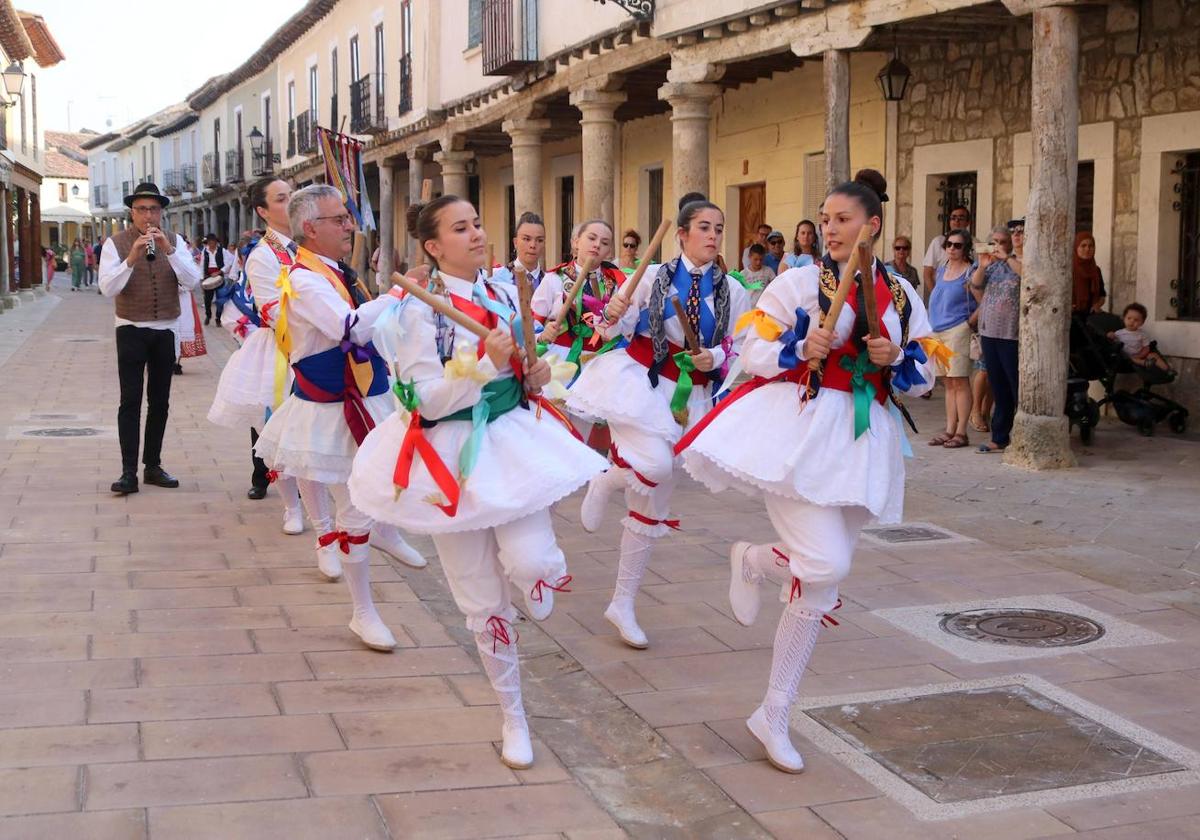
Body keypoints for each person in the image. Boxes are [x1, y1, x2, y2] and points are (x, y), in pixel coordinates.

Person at [678, 170, 935, 773]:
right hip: (800, 433)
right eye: (825, 219)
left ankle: (774, 711)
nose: (830, 228)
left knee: (820, 585)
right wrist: (800, 349)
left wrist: (897, 359)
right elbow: (751, 351)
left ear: (872, 225)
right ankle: (751, 560)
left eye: (842, 219)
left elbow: (925, 378)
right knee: (826, 563)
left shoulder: (900, 295)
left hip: (863, 442)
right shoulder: (797, 282)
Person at [348, 194, 607, 770]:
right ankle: (513, 715)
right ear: (434, 246)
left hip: (509, 441)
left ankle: (541, 577)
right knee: (481, 597)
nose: (477, 234)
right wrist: (487, 366)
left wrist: (532, 371)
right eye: (460, 228)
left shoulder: (498, 289)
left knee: (532, 560)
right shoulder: (416, 311)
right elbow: (422, 399)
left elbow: (526, 366)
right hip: (448, 453)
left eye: (477, 223)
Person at [566, 199, 751, 649]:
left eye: (719, 228)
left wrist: (718, 356)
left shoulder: (735, 291)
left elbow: (739, 347)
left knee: (652, 503)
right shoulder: (651, 276)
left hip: (690, 398)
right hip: (641, 386)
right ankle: (606, 481)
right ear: (682, 234)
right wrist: (612, 314)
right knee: (655, 466)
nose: (713, 235)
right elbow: (613, 327)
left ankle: (622, 603)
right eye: (704, 227)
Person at [254, 184, 415, 651]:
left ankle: (382, 535)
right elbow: (348, 327)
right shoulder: (303, 279)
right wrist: (403, 292)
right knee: (352, 503)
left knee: (367, 492)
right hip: (332, 402)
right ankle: (363, 611)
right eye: (339, 219)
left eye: (347, 217)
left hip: (362, 392)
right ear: (311, 228)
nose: (349, 225)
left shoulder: (334, 270)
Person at [98, 182, 202, 495]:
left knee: (160, 401)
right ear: (132, 212)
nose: (148, 215)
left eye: (153, 209)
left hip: (165, 329)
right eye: (142, 209)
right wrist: (131, 258)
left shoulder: (175, 242)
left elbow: (193, 280)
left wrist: (169, 251)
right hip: (130, 327)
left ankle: (152, 466)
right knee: (130, 401)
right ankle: (128, 471)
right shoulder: (115, 244)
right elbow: (108, 287)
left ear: (161, 212)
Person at [534, 219, 626, 374]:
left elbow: (624, 328)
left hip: (599, 361)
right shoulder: (555, 278)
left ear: (609, 251)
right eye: (591, 238)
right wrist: (542, 335)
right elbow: (531, 323)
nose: (597, 245)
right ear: (576, 242)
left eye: (604, 243)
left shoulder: (616, 283)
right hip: (559, 358)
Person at [970, 222, 1023, 453]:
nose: (998, 246)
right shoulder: (992, 266)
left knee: (1016, 386)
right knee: (999, 386)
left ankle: (1022, 434)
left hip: (1012, 334)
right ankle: (999, 437)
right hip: (990, 331)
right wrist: (983, 265)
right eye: (995, 242)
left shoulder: (1019, 263)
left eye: (1003, 242)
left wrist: (1006, 258)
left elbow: (1029, 277)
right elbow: (975, 284)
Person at [926, 230, 977, 448]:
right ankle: (949, 429)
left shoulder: (971, 271)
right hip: (937, 330)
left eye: (957, 245)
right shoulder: (942, 269)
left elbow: (983, 300)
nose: (952, 249)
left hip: (958, 329)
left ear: (965, 248)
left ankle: (961, 431)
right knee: (947, 381)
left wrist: (969, 323)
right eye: (949, 244)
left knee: (960, 380)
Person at [492, 211, 547, 290]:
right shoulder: (497, 278)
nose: (533, 245)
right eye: (526, 239)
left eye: (539, 240)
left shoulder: (551, 282)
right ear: (515, 242)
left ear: (544, 244)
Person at [922, 205, 971, 288]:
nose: (957, 221)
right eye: (953, 218)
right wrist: (936, 294)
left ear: (968, 222)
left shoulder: (976, 243)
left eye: (961, 218)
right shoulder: (938, 242)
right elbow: (927, 272)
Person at [1110, 302, 1169, 370]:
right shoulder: (1118, 333)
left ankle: (1167, 369)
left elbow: (1146, 348)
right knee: (1131, 358)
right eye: (1129, 318)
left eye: (1136, 320)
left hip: (1140, 354)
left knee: (1153, 355)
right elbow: (1112, 341)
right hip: (1125, 358)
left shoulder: (1142, 335)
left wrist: (1139, 355)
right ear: (1124, 318)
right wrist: (1110, 335)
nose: (1132, 321)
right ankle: (1145, 363)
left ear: (1142, 323)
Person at [1072, 231, 1106, 316]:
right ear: (1076, 248)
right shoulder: (1068, 270)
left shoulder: (1096, 270)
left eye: (1091, 246)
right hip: (1071, 316)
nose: (1087, 249)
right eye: (1083, 246)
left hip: (1090, 316)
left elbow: (1102, 295)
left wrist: (1097, 305)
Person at [199, 234, 227, 326]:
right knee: (207, 299)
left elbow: (228, 264)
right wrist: (202, 279)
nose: (210, 244)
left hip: (219, 275)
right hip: (208, 276)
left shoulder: (222, 251)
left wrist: (219, 272)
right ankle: (208, 315)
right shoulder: (204, 252)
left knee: (220, 298)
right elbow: (202, 265)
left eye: (212, 241)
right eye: (209, 242)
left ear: (216, 242)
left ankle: (218, 318)